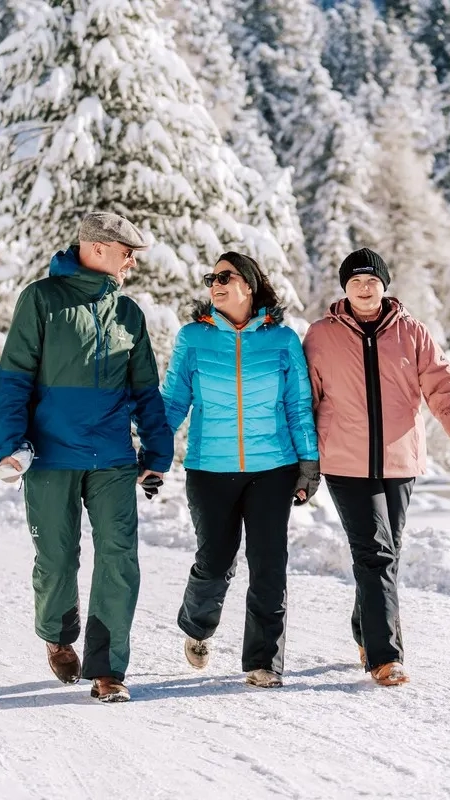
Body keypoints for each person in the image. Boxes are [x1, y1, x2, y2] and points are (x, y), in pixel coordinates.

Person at [0, 211, 175, 703]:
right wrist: (9, 443)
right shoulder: (41, 300)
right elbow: (14, 377)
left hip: (112, 456)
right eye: (126, 253)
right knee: (57, 558)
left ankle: (108, 668)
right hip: (51, 455)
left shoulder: (128, 313)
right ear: (97, 249)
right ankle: (57, 634)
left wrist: (158, 450)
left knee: (119, 556)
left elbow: (145, 390)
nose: (132, 263)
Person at [303, 248, 450, 687]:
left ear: (384, 286)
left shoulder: (411, 332)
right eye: (356, 281)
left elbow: (442, 383)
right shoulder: (321, 335)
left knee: (387, 553)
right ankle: (385, 657)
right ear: (344, 288)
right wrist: (302, 457)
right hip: (344, 459)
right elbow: (305, 397)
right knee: (375, 553)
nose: (364, 288)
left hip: (400, 458)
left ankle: (365, 629)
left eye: (372, 281)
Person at [161, 252, 319, 688]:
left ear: (248, 284)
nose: (215, 283)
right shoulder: (193, 337)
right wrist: (153, 452)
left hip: (274, 467)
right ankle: (197, 626)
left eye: (224, 276)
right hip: (209, 468)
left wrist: (308, 462)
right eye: (211, 278)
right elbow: (173, 401)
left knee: (269, 563)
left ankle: (264, 661)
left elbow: (298, 404)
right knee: (214, 561)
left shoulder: (282, 340)